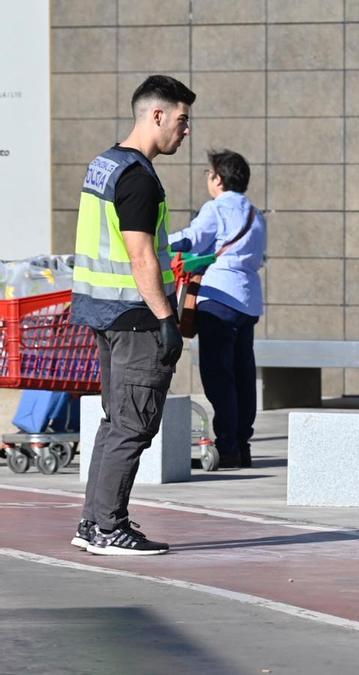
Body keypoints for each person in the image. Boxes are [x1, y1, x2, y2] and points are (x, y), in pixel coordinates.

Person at [69, 75, 195, 555]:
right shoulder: (138, 177)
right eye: (182, 121)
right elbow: (141, 255)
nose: (185, 132)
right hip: (135, 317)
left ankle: (93, 523)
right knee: (133, 425)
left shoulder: (104, 164)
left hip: (103, 313)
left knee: (114, 421)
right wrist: (166, 319)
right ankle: (108, 527)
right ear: (156, 115)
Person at [168, 150, 266, 469]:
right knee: (242, 373)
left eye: (209, 175)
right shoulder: (255, 214)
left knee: (218, 374)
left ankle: (226, 447)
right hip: (248, 301)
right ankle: (241, 443)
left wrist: (159, 243)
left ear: (218, 179)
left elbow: (192, 239)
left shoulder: (216, 208)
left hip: (219, 298)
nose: (208, 180)